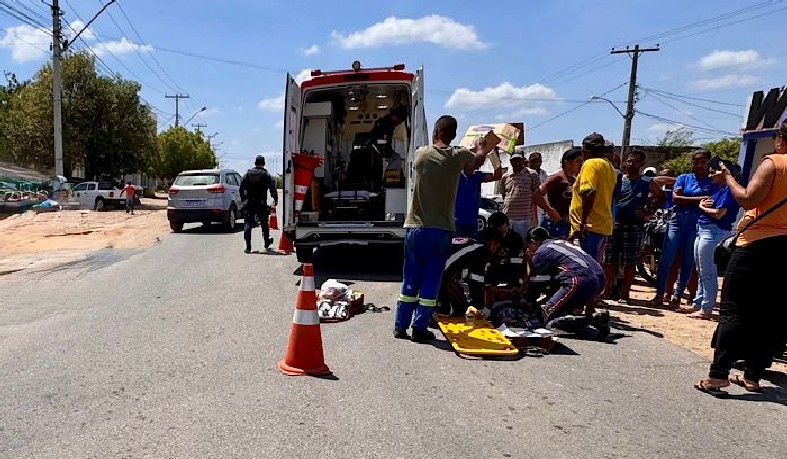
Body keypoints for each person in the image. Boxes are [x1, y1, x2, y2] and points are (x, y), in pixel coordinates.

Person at [695, 120, 787, 397]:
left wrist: (728, 178)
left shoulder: (773, 163)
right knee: (770, 312)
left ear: (781, 137)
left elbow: (748, 199)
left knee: (734, 309)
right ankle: (753, 376)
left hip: (757, 244)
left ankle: (718, 375)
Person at [395, 115, 492, 342]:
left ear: (436, 132)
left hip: (415, 227)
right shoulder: (457, 156)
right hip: (440, 230)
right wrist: (480, 147)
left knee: (410, 279)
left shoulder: (421, 154)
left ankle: (400, 326)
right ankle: (420, 328)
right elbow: (475, 163)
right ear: (454, 135)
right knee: (430, 280)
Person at [651, 150, 717, 308]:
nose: (699, 165)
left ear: (708, 163)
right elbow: (675, 199)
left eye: (702, 162)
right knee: (666, 258)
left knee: (688, 261)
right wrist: (699, 199)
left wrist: (686, 199)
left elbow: (711, 201)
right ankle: (659, 294)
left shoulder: (712, 182)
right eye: (696, 162)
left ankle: (677, 296)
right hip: (677, 221)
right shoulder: (684, 178)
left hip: (696, 224)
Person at [679, 161, 741, 319]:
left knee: (708, 273)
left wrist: (702, 207)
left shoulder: (728, 190)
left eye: (713, 172)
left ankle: (706, 308)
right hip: (704, 230)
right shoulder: (720, 190)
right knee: (701, 271)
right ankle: (698, 303)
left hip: (713, 232)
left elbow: (719, 213)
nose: (710, 175)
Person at [525, 227, 610, 338]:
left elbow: (536, 284)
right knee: (562, 312)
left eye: (529, 246)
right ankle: (587, 321)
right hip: (598, 279)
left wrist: (527, 299)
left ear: (533, 242)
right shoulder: (562, 243)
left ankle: (593, 320)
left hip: (577, 280)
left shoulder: (541, 251)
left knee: (546, 319)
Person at [602, 150, 654, 302]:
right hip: (614, 224)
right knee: (609, 261)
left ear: (642, 164)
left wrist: (648, 211)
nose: (631, 164)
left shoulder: (646, 182)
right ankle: (606, 292)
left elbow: (661, 196)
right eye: (629, 161)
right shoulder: (619, 179)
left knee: (630, 263)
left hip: (634, 226)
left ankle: (625, 295)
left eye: (635, 161)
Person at [568, 133, 617, 262]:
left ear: (587, 149)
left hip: (590, 227)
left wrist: (583, 222)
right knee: (595, 265)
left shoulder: (590, 164)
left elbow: (588, 193)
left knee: (586, 267)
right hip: (602, 225)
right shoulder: (608, 166)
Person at [437, 229, 503, 316]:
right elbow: (475, 282)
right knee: (462, 308)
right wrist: (480, 307)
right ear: (491, 242)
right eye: (496, 246)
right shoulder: (481, 251)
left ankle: (440, 312)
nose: (495, 250)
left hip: (435, 268)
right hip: (442, 273)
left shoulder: (471, 243)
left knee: (447, 306)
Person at [454, 138, 503, 238]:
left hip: (471, 222)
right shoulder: (457, 175)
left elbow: (497, 175)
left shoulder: (477, 176)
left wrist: (495, 156)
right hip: (455, 222)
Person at [536, 148, 583, 239]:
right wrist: (550, 210)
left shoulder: (575, 180)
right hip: (554, 224)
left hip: (568, 224)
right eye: (577, 161)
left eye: (582, 161)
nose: (581, 164)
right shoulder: (557, 178)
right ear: (567, 163)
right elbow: (537, 194)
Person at [501, 152, 545, 239]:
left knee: (523, 243)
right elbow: (504, 195)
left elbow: (537, 195)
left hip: (524, 218)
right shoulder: (505, 176)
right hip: (508, 218)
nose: (517, 163)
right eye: (514, 160)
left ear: (523, 161)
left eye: (519, 160)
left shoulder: (532, 174)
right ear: (510, 161)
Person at [240, 155, 278, 253]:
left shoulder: (247, 174)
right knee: (264, 223)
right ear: (264, 163)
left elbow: (241, 188)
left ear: (255, 163)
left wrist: (243, 199)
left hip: (249, 202)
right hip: (261, 203)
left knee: (248, 222)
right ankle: (266, 243)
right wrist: (275, 198)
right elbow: (272, 188)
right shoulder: (266, 174)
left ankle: (248, 246)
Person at [367, 106, 408, 191]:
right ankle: (389, 184)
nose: (399, 123)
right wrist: (384, 152)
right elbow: (381, 141)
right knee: (378, 172)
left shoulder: (387, 123)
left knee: (395, 158)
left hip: (379, 152)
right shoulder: (385, 124)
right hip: (377, 153)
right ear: (395, 116)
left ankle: (391, 182)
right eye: (399, 120)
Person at [486, 212, 526, 288]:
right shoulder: (487, 237)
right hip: (492, 272)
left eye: (501, 233)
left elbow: (518, 263)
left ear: (508, 226)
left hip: (510, 271)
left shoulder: (515, 239)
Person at [528, 151, 549, 223]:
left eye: (537, 161)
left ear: (541, 162)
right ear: (529, 162)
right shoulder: (524, 173)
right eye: (533, 161)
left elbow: (546, 192)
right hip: (527, 207)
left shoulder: (544, 174)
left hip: (540, 207)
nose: (535, 164)